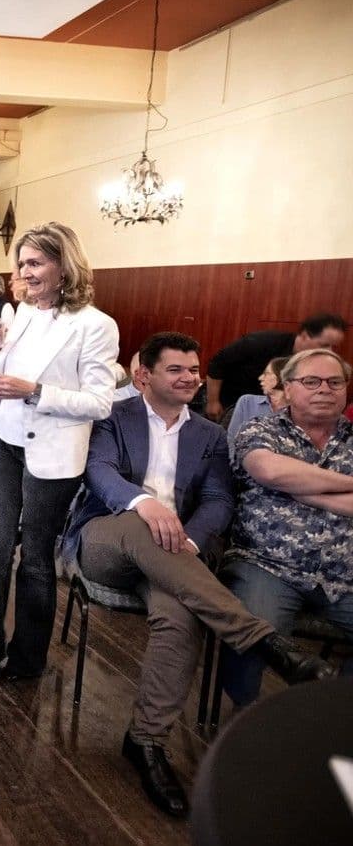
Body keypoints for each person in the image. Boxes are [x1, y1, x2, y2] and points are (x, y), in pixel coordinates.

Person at [62, 333, 333, 816]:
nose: (191, 378)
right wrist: (147, 506)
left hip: (175, 555)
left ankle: (146, 740)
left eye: (195, 369)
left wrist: (188, 539)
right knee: (137, 523)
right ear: (144, 375)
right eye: (177, 370)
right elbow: (100, 474)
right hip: (109, 538)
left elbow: (218, 501)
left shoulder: (208, 435)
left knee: (180, 614)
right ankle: (261, 638)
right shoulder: (112, 418)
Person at [0, 221, 120, 684]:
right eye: (21, 264)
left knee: (34, 557)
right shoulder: (22, 313)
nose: (24, 273)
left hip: (53, 454)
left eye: (34, 263)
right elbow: (3, 381)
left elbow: (99, 402)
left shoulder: (96, 325)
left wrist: (35, 392)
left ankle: (28, 659)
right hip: (6, 441)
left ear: (63, 265)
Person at [218, 348, 353, 705]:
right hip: (267, 565)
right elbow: (271, 471)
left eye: (334, 382)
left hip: (345, 572)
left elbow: (285, 478)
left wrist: (306, 492)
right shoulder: (261, 429)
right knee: (256, 627)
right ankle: (246, 721)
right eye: (311, 381)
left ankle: (337, 713)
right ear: (288, 388)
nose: (324, 389)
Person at [205, 313, 346, 421]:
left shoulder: (316, 362)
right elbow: (217, 365)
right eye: (324, 344)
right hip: (232, 404)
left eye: (333, 346)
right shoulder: (261, 342)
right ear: (304, 336)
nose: (330, 351)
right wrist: (213, 402)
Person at [226, 355, 289, 453]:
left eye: (266, 374)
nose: (260, 378)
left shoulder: (298, 410)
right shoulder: (247, 401)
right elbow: (232, 439)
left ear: (281, 376)